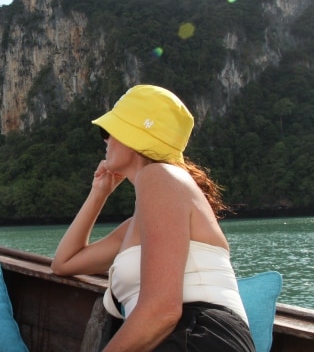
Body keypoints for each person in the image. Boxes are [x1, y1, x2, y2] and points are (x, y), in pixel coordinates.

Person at [51, 85, 255, 351]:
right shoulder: (136, 224)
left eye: (108, 131)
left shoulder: (160, 176)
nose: (105, 140)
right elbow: (63, 263)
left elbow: (162, 310)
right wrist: (99, 193)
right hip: (178, 335)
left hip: (198, 333)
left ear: (135, 135)